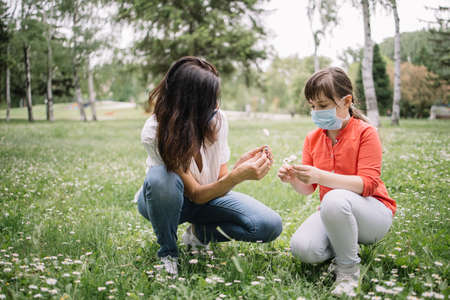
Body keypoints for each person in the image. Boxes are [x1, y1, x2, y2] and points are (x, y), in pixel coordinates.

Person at [137, 56, 282, 275]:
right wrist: (237, 177)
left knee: (269, 225)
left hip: (206, 199)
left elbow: (217, 184)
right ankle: (168, 254)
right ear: (188, 102)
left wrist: (237, 170)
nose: (216, 105)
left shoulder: (217, 119)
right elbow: (194, 193)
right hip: (165, 202)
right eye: (209, 99)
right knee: (160, 178)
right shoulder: (155, 131)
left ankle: (199, 234)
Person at [278, 67, 396, 296]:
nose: (316, 112)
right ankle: (344, 244)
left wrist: (320, 176)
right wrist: (293, 179)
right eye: (312, 106)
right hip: (335, 210)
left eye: (322, 106)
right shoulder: (313, 138)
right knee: (304, 248)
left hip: (374, 214)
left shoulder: (366, 133)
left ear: (346, 101)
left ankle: (348, 271)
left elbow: (368, 184)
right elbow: (308, 189)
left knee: (333, 199)